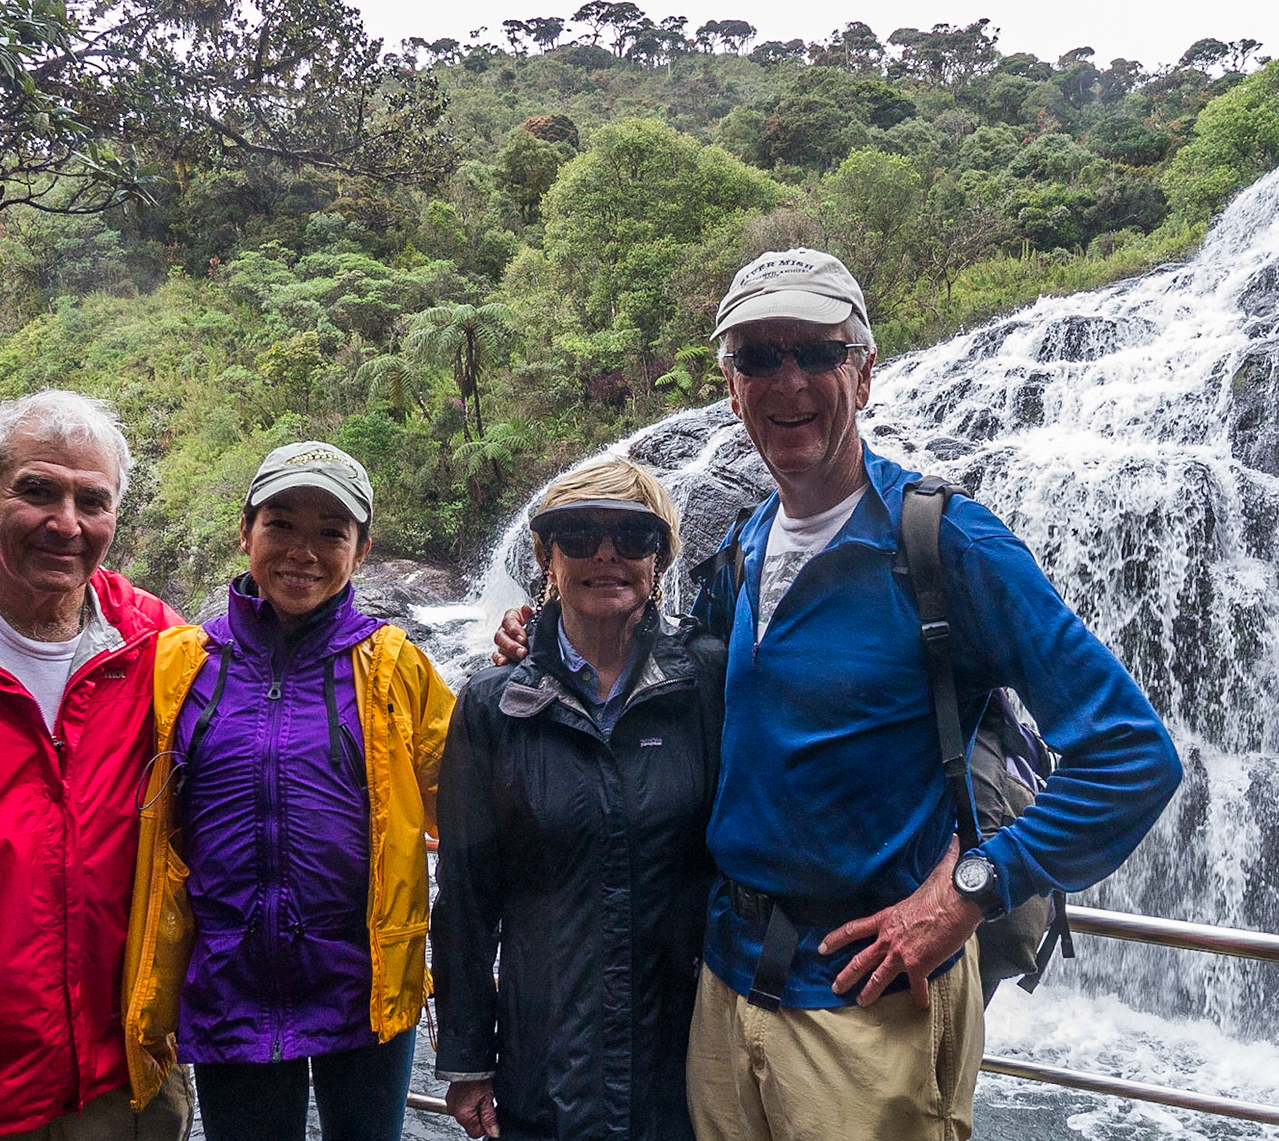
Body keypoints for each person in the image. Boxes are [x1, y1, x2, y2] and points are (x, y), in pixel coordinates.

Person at [495, 248, 1184, 1140]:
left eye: (816, 353)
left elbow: (1134, 753)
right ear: (731, 387)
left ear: (864, 372)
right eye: (758, 357)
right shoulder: (741, 552)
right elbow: (659, 679)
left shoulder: (947, 543)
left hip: (871, 1005)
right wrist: (543, 641)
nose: (789, 381)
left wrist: (974, 887)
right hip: (723, 988)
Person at [122, 441, 453, 1141]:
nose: (302, 551)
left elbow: (468, 806)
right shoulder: (179, 665)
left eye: (331, 533)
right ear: (245, 533)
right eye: (281, 525)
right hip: (226, 983)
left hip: (364, 989)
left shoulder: (396, 667)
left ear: (360, 552)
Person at [0, 389, 193, 1141]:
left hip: (119, 1085)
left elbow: (292, 710)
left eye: (91, 501)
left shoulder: (160, 647)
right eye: (37, 490)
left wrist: (530, 654)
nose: (66, 524)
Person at [435, 458, 713, 1141]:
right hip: (546, 1061)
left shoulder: (710, 682)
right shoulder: (493, 704)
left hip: (688, 1055)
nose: (606, 555)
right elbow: (467, 899)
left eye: (633, 538)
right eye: (580, 535)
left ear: (661, 559)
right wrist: (467, 1059)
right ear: (546, 557)